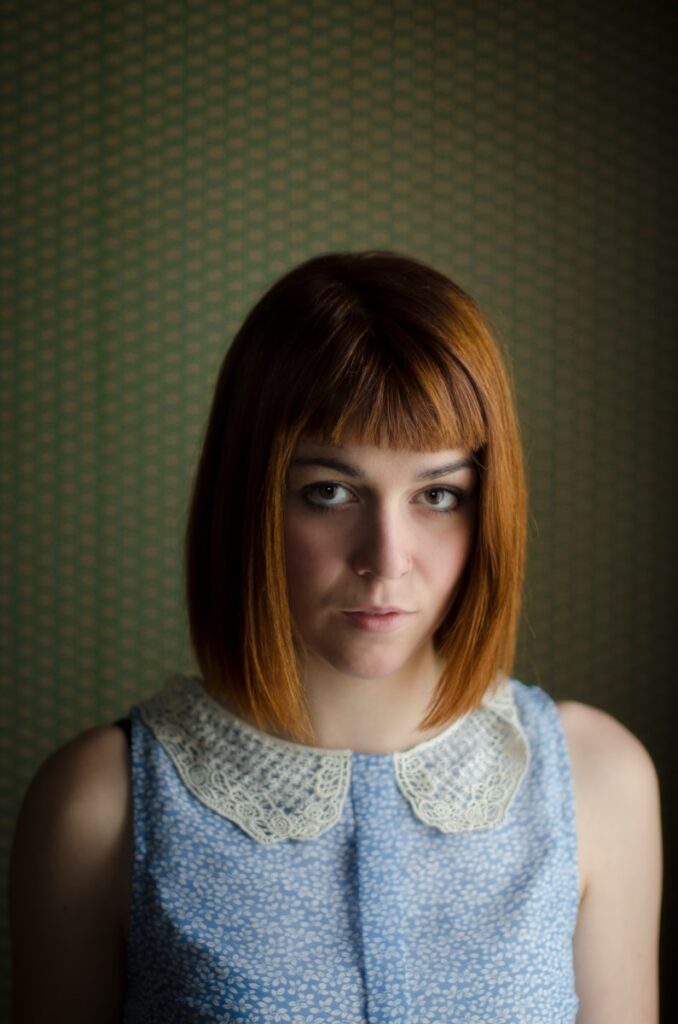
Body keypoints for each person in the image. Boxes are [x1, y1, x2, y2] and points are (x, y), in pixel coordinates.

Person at [8, 251, 662, 1023]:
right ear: (248, 498)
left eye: (439, 494)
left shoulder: (597, 782)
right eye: (329, 492)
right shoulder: (99, 804)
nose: (385, 559)